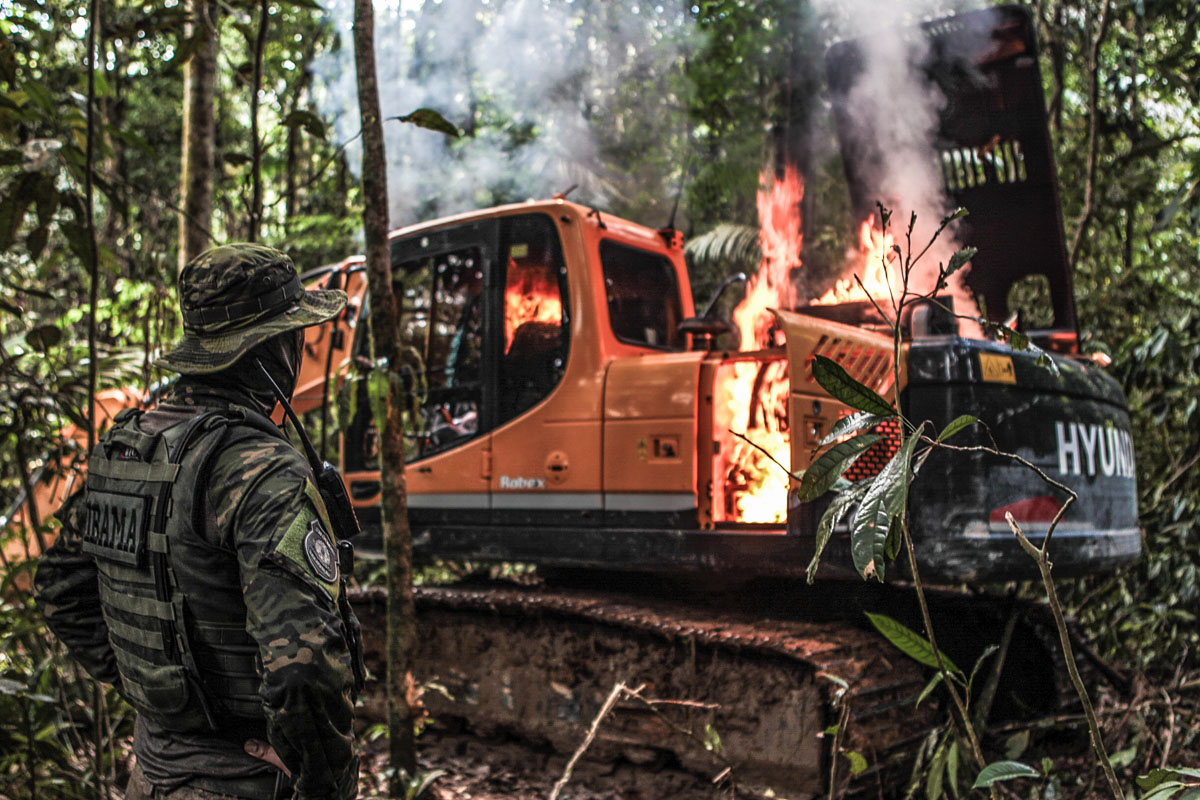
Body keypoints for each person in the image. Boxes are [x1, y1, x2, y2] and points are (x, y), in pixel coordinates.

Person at [35, 244, 362, 800]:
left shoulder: (124, 448)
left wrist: (163, 698)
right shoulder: (260, 470)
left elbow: (59, 587)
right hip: (243, 781)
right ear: (276, 348)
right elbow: (303, 668)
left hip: (153, 770)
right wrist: (325, 784)